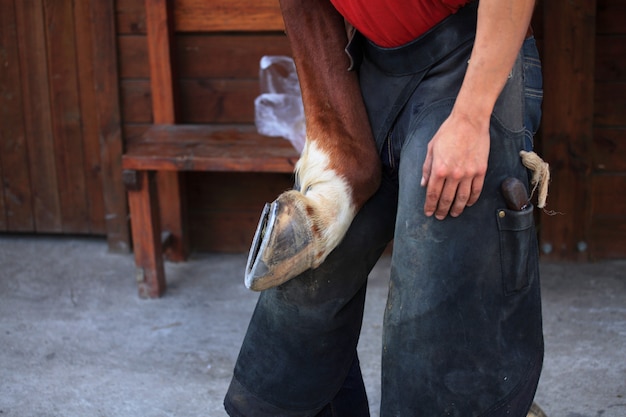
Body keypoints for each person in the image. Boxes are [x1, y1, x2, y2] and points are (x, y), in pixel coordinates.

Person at [224, 0, 545, 415]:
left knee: (436, 299)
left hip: (472, 57)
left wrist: (471, 117)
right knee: (306, 284)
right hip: (375, 65)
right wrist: (334, 141)